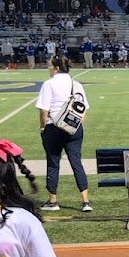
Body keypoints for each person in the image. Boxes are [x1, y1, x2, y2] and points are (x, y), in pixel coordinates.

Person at [35, 55, 92, 213]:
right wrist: (76, 126)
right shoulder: (77, 84)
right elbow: (84, 109)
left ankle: (53, 201)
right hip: (74, 128)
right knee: (77, 163)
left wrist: (42, 127)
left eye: (50, 66)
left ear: (57, 68)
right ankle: (86, 201)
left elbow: (43, 110)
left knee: (53, 163)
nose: (49, 69)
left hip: (54, 127)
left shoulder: (49, 84)